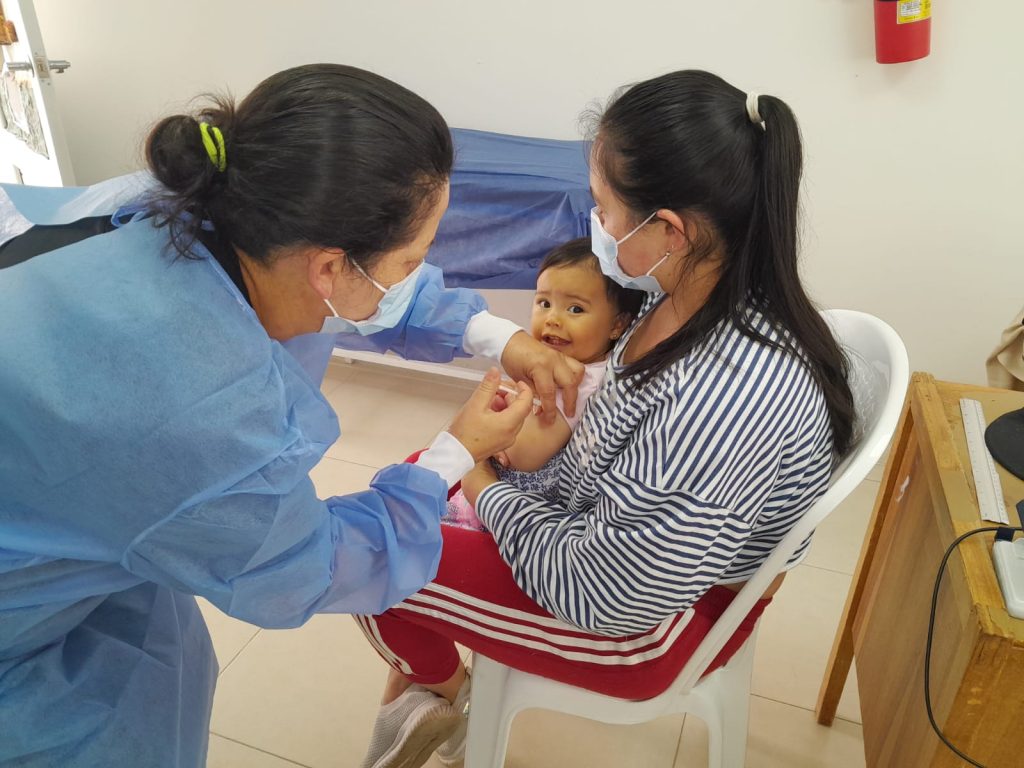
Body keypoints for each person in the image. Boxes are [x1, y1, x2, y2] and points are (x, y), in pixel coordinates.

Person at [0, 64, 583, 768]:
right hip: (20, 604)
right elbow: (305, 565)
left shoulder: (219, 204)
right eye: (411, 260)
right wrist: (454, 453)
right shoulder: (190, 412)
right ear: (328, 268)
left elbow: (380, 293)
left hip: (73, 516)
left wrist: (496, 336)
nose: (414, 277)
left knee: (152, 677)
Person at [355, 69, 856, 768]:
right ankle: (431, 693)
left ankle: (445, 697)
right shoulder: (684, 298)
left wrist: (484, 486)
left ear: (670, 231)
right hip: (604, 535)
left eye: (604, 208)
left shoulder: (722, 397)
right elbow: (612, 451)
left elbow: (606, 593)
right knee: (406, 487)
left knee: (371, 553)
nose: (597, 227)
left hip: (648, 626)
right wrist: (510, 445)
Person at [441, 237, 643, 531]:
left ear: (617, 324)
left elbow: (522, 456)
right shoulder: (584, 363)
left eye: (575, 309)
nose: (552, 319)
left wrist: (504, 413)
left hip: (502, 512)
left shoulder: (578, 383)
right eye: (544, 303)